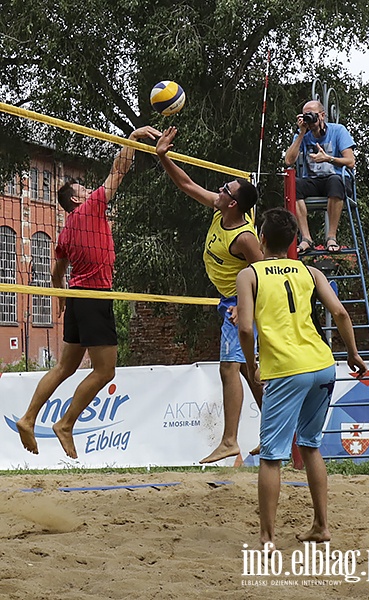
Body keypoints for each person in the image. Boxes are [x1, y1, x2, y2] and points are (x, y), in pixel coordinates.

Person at [16, 125, 162, 459]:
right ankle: (66, 424)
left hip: (79, 298)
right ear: (78, 198)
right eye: (82, 187)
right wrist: (134, 137)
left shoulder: (66, 230)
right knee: (105, 370)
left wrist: (61, 299)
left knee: (64, 368)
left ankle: (27, 417)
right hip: (95, 297)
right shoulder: (92, 205)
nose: (88, 188)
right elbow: (119, 170)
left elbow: (57, 272)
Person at [237, 207, 366, 550]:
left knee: (271, 456)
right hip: (322, 364)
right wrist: (352, 353)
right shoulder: (309, 272)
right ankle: (321, 526)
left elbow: (246, 327)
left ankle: (266, 538)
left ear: (261, 239)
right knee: (310, 445)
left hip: (286, 369)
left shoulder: (250, 274)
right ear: (294, 240)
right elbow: (339, 312)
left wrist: (251, 366)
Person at [156, 126, 264, 464]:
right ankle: (277, 429)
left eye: (224, 189)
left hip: (241, 304)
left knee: (229, 369)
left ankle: (230, 441)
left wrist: (246, 307)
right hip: (230, 302)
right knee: (250, 371)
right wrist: (163, 156)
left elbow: (266, 275)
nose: (218, 190)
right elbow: (187, 185)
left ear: (233, 202)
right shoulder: (221, 211)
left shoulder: (245, 237)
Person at [285, 99, 356, 255]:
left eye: (312, 115)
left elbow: (350, 162)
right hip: (313, 182)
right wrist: (301, 133)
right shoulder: (302, 134)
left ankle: (331, 237)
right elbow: (289, 161)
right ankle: (306, 239)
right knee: (292, 185)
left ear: (322, 115)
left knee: (335, 181)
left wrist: (328, 159)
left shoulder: (338, 130)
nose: (309, 119)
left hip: (336, 180)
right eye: (305, 115)